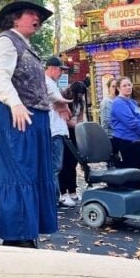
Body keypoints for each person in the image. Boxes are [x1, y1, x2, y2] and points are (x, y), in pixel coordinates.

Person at [0, 0, 58, 247]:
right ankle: (17, 240)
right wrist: (15, 104)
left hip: (31, 121)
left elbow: (40, 83)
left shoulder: (26, 46)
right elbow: (0, 77)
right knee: (18, 175)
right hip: (13, 121)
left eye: (39, 16)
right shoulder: (6, 41)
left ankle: (27, 234)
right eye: (31, 13)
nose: (37, 18)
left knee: (30, 175)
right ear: (14, 17)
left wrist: (57, 101)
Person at [44, 56, 76, 207]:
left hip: (57, 130)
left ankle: (55, 196)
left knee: (57, 166)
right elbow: (60, 103)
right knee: (55, 167)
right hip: (54, 130)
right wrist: (67, 103)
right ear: (51, 68)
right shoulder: (47, 83)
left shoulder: (51, 83)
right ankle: (53, 197)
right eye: (59, 70)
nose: (61, 73)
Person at [109, 77, 140, 171]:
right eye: (124, 85)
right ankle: (130, 186)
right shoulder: (118, 103)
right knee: (132, 169)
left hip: (137, 141)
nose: (128, 87)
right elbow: (131, 122)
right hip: (126, 140)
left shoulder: (132, 102)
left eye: (129, 85)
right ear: (118, 88)